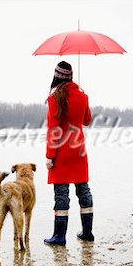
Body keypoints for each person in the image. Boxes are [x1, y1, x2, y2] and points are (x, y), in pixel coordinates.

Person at [44, 61, 94, 246]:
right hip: (79, 150)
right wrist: (83, 99)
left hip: (62, 152)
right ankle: (87, 233)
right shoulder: (83, 96)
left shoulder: (54, 98)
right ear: (71, 76)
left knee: (61, 194)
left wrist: (50, 156)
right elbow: (87, 120)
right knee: (84, 189)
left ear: (56, 76)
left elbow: (53, 130)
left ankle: (59, 236)